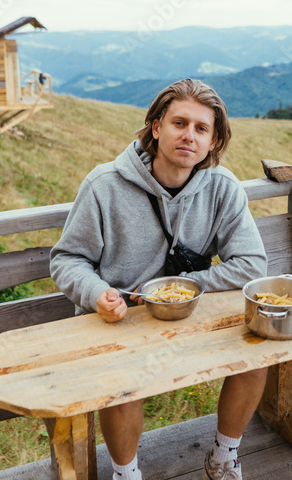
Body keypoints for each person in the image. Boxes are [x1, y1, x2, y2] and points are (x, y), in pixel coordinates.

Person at [50, 78, 268, 480]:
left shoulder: (222, 188)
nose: (189, 136)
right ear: (156, 128)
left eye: (202, 129)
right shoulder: (104, 185)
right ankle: (126, 473)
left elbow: (252, 264)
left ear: (213, 142)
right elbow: (67, 260)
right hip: (118, 321)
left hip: (188, 316)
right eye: (179, 123)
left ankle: (223, 457)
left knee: (256, 354)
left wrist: (186, 285)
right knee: (120, 377)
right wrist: (98, 294)